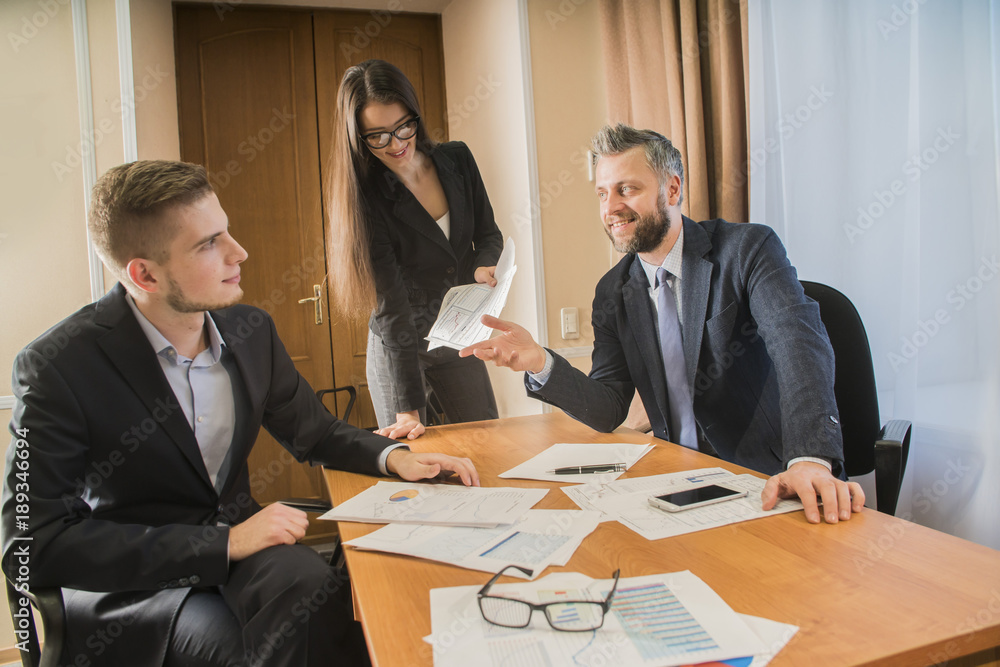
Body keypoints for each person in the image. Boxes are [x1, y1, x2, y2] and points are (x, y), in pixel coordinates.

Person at [1, 160, 479, 667]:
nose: (239, 252)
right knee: (240, 651)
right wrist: (220, 543)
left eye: (225, 231)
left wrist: (394, 457)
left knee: (322, 594)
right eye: (209, 243)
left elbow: (315, 432)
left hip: (241, 552)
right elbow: (30, 543)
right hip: (137, 590)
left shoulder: (251, 331)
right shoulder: (56, 366)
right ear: (145, 273)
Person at [461, 123, 865, 525]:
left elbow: (797, 344)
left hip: (766, 478)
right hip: (676, 479)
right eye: (602, 193)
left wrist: (809, 459)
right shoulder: (613, 291)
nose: (611, 208)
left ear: (672, 190)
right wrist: (539, 361)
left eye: (626, 189)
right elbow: (608, 407)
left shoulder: (747, 250)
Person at [327, 59, 502, 441]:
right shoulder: (367, 199)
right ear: (358, 138)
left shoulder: (457, 160)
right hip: (398, 343)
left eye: (403, 126)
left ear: (415, 114)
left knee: (486, 436)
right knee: (413, 454)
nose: (396, 144)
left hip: (455, 334)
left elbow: (489, 234)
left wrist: (482, 265)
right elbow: (392, 309)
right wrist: (407, 408)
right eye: (378, 136)